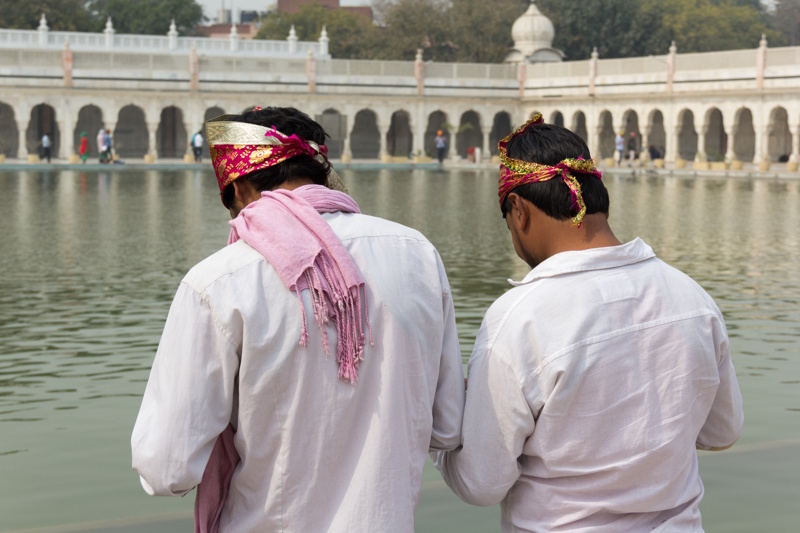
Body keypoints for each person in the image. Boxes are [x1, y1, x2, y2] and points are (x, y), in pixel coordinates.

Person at [131, 106, 465, 532]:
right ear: (318, 172)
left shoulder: (218, 282)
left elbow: (167, 468)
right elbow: (448, 425)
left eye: (230, 205)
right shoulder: (417, 253)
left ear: (243, 185)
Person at [434, 114, 743, 532]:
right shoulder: (690, 297)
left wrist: (437, 428)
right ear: (600, 199)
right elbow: (722, 431)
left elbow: (481, 483)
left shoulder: (521, 318)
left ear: (519, 212)